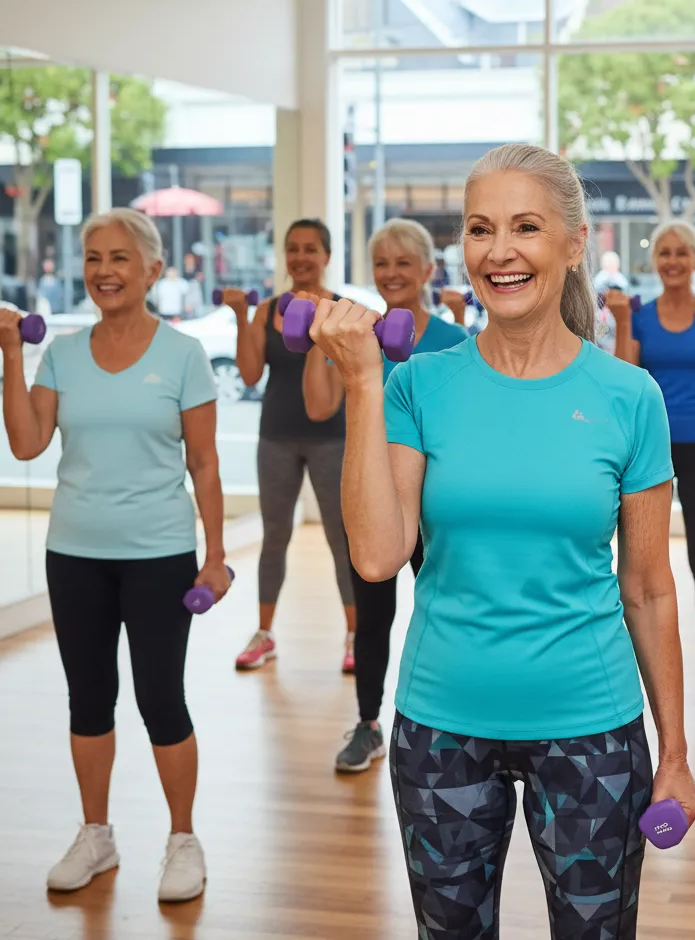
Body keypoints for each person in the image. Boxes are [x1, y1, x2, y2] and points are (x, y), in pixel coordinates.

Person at [306, 143, 695, 938]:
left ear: (574, 243)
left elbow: (649, 588)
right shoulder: (416, 385)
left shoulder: (628, 397)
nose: (499, 251)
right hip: (442, 727)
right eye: (480, 229)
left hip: (592, 728)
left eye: (526, 227)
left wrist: (675, 753)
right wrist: (361, 383)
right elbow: (378, 557)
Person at [0, 208, 230, 902]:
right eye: (94, 257)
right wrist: (10, 353)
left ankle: (183, 839)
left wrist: (215, 555)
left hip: (160, 552)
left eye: (120, 258)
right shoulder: (63, 354)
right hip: (74, 552)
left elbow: (205, 463)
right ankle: (96, 834)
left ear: (153, 270)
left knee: (161, 699)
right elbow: (27, 444)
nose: (104, 270)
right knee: (89, 698)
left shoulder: (183, 354)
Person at [300, 217, 466, 773]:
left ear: (428, 269)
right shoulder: (356, 335)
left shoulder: (454, 343)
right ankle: (369, 724)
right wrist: (317, 336)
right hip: (371, 499)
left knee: (441, 609)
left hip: (434, 504)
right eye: (381, 263)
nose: (391, 273)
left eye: (403, 262)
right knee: (371, 617)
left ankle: (452, 720)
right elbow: (319, 407)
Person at [606, 219, 695, 705]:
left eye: (681, 252)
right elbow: (625, 381)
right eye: (664, 253)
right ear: (655, 262)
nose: (672, 261)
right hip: (649, 450)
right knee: (640, 561)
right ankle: (637, 663)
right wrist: (623, 324)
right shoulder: (641, 317)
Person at [230, 218, 357, 673]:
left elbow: (350, 377)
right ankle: (264, 634)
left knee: (341, 539)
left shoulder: (342, 311)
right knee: (275, 536)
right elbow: (249, 375)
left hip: (333, 438)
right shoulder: (267, 311)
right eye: (293, 249)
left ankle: (355, 636)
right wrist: (241, 317)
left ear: (326, 256)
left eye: (310, 249)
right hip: (277, 437)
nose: (301, 257)